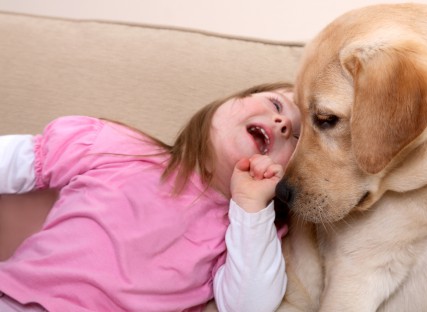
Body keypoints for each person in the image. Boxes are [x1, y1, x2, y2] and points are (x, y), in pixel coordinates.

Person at [0, 82, 301, 312]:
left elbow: (249, 306)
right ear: (228, 101)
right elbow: (12, 160)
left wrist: (251, 207)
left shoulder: (243, 230)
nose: (283, 123)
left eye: (298, 138)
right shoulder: (118, 146)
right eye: (276, 103)